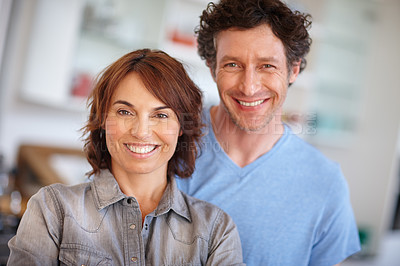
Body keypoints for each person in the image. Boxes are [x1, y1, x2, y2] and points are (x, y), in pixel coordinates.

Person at [7, 49, 244, 265]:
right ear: (103, 120)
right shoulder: (53, 209)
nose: (141, 132)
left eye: (160, 115)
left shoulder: (216, 230)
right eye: (124, 112)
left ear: (181, 126)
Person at [176, 0, 361, 265]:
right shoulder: (167, 140)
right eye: (232, 65)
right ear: (212, 68)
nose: (249, 87)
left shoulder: (324, 182)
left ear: (293, 70)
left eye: (267, 66)